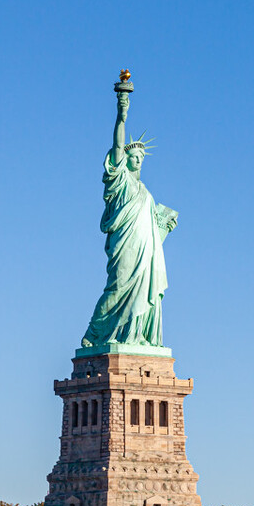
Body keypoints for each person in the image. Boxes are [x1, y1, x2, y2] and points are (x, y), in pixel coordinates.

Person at [81, 88, 177, 349]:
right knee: (118, 287)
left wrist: (164, 226)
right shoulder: (119, 180)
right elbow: (117, 145)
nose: (138, 161)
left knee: (144, 293)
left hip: (145, 252)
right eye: (133, 157)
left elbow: (150, 232)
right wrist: (121, 115)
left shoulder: (146, 193)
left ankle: (135, 336)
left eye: (141, 158)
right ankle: (95, 332)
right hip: (125, 245)